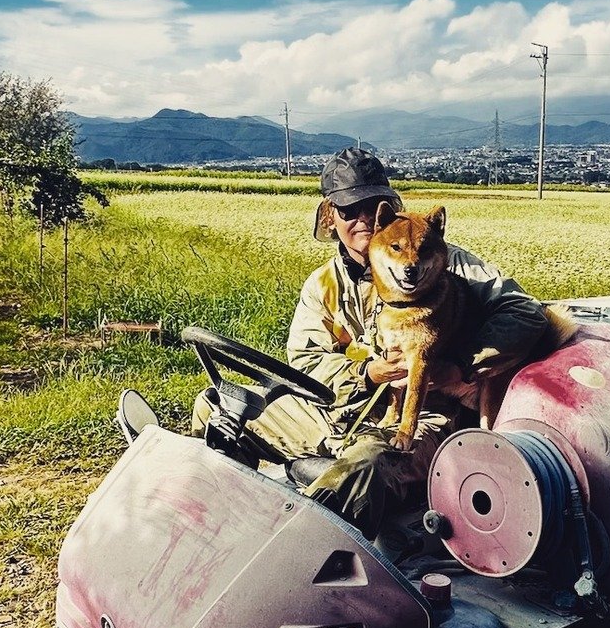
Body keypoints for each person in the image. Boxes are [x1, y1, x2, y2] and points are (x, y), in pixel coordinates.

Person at [194, 146, 549, 537]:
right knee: (216, 406)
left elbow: (525, 312)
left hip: (415, 421)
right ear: (331, 216)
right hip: (335, 414)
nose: (362, 219)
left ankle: (301, 549)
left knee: (363, 468)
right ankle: (214, 526)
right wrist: (368, 373)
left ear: (388, 209)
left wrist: (460, 365)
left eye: (372, 206)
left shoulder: (444, 259)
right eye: (349, 210)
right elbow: (306, 363)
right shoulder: (322, 286)